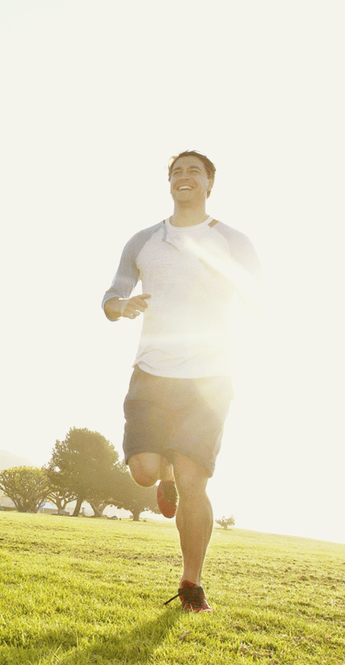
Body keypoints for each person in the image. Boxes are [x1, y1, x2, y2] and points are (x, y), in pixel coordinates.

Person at [102, 151, 261, 613]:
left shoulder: (233, 240)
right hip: (151, 372)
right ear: (168, 183)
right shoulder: (144, 240)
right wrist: (119, 307)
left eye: (194, 171)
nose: (184, 176)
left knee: (196, 483)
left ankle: (192, 583)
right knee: (144, 470)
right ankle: (163, 473)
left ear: (210, 183)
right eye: (177, 171)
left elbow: (259, 298)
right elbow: (113, 293)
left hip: (209, 379)